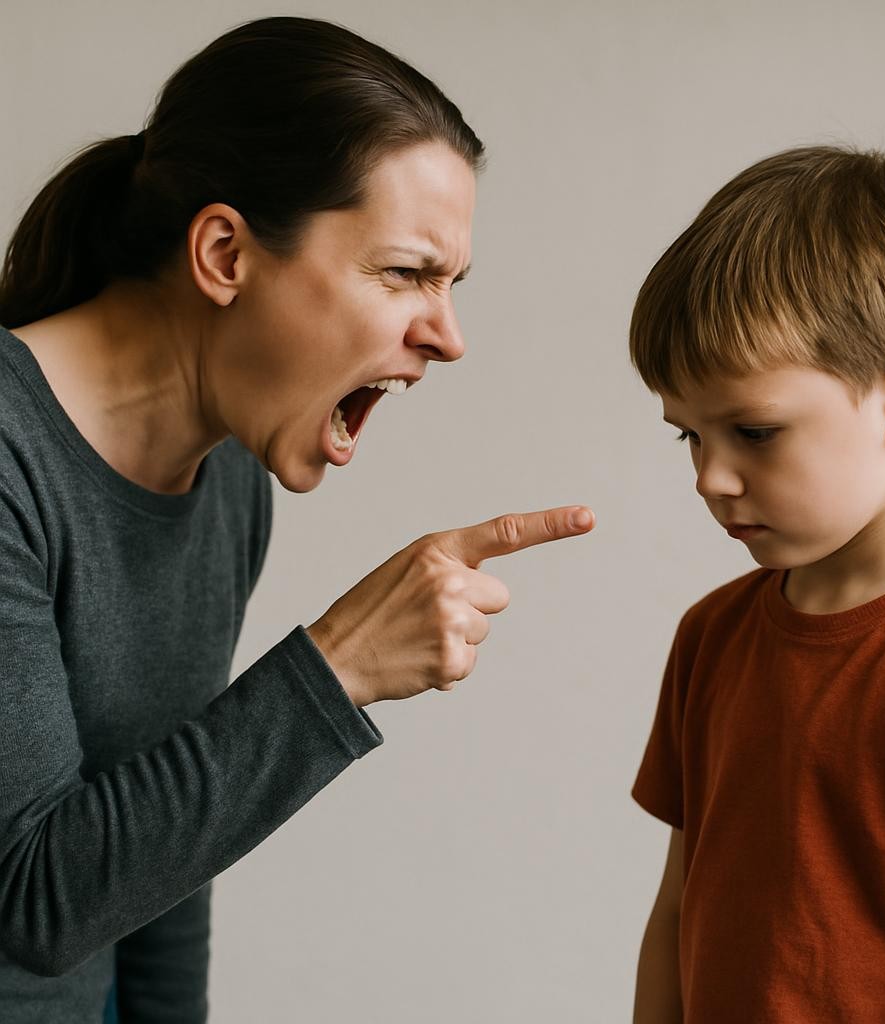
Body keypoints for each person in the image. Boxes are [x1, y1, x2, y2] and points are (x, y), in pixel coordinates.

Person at [0, 16, 594, 1024]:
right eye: (405, 273)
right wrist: (337, 665)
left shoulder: (230, 477)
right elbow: (34, 898)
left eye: (451, 285)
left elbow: (164, 858)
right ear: (226, 252)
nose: (447, 337)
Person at [628, 145, 885, 1022]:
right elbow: (676, 916)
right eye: (688, 436)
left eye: (754, 432)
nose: (711, 478)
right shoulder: (712, 638)